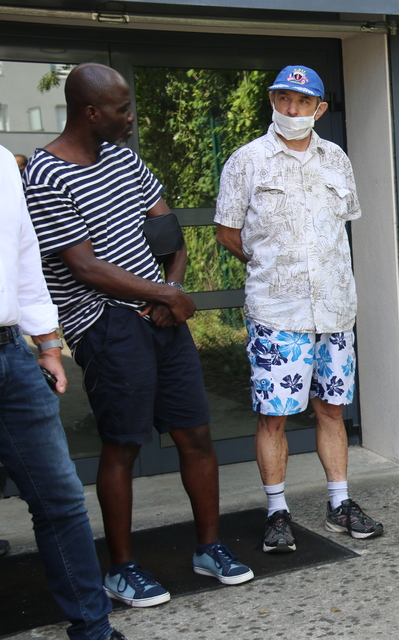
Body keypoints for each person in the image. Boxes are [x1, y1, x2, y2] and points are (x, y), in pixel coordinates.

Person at [22, 62, 252, 608]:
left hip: (159, 316)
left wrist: (170, 292)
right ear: (91, 111)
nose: (131, 118)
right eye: (122, 109)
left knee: (195, 433)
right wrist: (168, 297)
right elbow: (84, 267)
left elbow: (170, 234)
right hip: (105, 321)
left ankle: (209, 547)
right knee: (122, 444)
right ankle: (121, 568)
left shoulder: (126, 160)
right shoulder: (46, 174)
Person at [215, 65, 383, 549]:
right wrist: (274, 265)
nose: (291, 110)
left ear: (319, 109)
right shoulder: (247, 161)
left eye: (302, 102)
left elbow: (340, 226)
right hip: (277, 309)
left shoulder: (337, 160)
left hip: (334, 308)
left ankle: (339, 503)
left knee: (332, 409)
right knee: (274, 415)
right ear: (272, 100)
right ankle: (277, 511)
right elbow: (229, 232)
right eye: (283, 99)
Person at [0, 144, 127, 640]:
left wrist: (48, 343)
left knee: (60, 498)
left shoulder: (3, 164)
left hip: (11, 351)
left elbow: (24, 255)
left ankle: (93, 629)